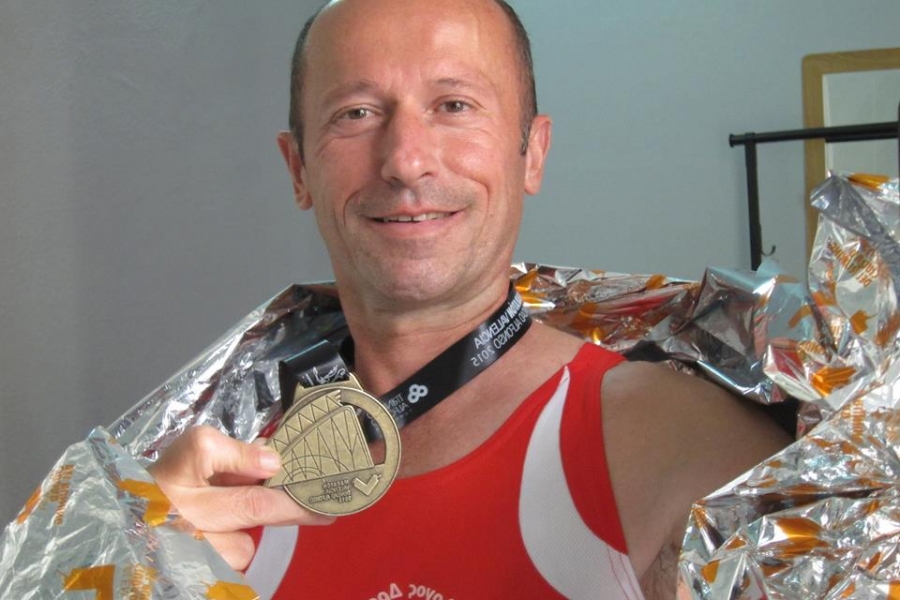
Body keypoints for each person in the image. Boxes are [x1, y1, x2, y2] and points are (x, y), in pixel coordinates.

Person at [148, 0, 791, 598]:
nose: (406, 161)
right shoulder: (213, 484)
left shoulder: (689, 453)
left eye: (454, 105)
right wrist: (134, 566)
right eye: (356, 114)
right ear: (298, 170)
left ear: (532, 153)